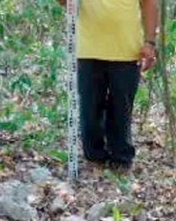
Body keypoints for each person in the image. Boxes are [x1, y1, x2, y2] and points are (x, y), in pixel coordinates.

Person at [59, 0, 159, 171]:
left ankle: (121, 158)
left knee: (121, 108)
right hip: (88, 50)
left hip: (127, 50)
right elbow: (67, 3)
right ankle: (95, 157)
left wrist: (150, 42)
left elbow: (150, 4)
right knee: (89, 108)